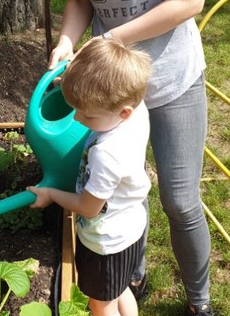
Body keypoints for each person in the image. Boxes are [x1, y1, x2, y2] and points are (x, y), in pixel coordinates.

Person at [48, 0, 213, 315]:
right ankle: (130, 277)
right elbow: (79, 0)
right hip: (108, 91)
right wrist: (66, 42)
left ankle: (199, 302)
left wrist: (109, 39)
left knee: (181, 201)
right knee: (123, 184)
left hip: (171, 76)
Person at [29, 37, 152, 316]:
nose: (78, 119)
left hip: (104, 243)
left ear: (123, 111)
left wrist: (51, 195)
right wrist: (76, 84)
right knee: (121, 290)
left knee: (101, 304)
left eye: (88, 115)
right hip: (132, 227)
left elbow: (88, 207)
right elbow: (110, 87)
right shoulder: (137, 109)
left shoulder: (106, 154)